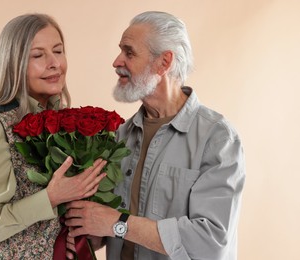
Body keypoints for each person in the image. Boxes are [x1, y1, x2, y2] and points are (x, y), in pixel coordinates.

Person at [65, 11, 246, 260]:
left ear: (164, 62)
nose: (117, 62)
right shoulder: (121, 136)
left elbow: (210, 242)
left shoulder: (217, 139)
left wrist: (118, 223)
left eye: (129, 52)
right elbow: (109, 226)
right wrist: (89, 233)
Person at [0, 13, 107, 259]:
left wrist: (66, 236)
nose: (54, 63)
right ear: (14, 65)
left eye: (58, 51)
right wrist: (51, 197)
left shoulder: (63, 123)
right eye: (38, 55)